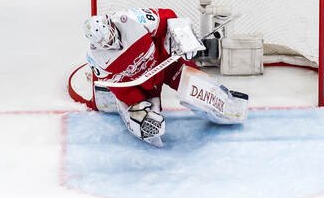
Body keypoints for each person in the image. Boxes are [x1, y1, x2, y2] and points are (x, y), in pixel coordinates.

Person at [83, 9, 247, 146]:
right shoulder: (97, 60)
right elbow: (118, 86)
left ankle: (228, 104)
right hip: (141, 85)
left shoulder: (132, 19)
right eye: (103, 43)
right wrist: (135, 102)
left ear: (110, 24)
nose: (109, 43)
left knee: (195, 87)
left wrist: (185, 39)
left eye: (109, 37)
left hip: (166, 63)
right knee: (147, 122)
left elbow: (169, 16)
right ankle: (139, 109)